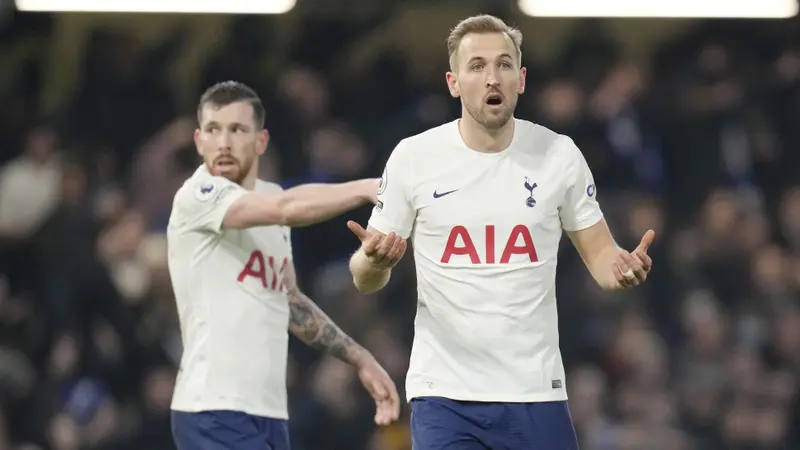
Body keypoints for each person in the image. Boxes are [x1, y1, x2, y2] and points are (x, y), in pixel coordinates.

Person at [347, 15, 655, 450]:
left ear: (521, 79)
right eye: (477, 66)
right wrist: (373, 262)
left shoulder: (558, 155)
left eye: (504, 64)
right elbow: (364, 277)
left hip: (535, 392)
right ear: (453, 82)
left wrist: (623, 270)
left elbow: (603, 259)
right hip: (445, 395)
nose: (493, 77)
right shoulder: (414, 158)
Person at [167, 81, 400, 450]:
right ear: (200, 141)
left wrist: (359, 357)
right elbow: (287, 207)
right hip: (214, 406)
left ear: (260, 141)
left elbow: (290, 302)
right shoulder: (198, 196)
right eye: (214, 130)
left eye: (238, 130)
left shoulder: (267, 211)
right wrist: (368, 187)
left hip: (267, 409)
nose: (224, 142)